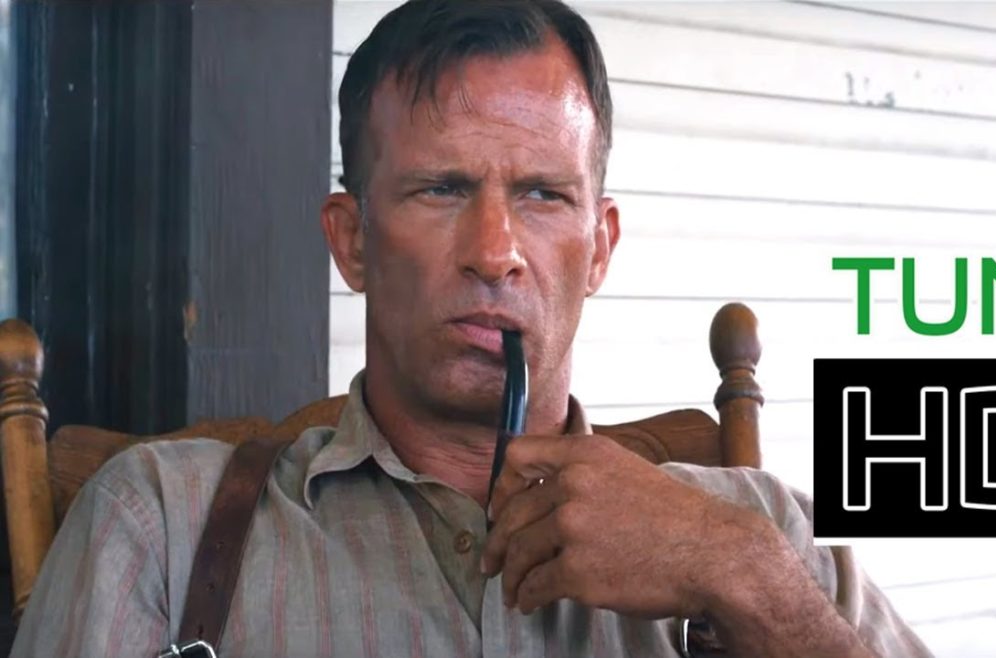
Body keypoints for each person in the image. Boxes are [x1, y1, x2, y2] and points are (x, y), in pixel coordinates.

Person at [12, 1, 932, 656]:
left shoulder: (762, 530)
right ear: (352, 241)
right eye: (441, 188)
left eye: (543, 194)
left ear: (600, 247)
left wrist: (744, 577)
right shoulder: (162, 527)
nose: (496, 253)